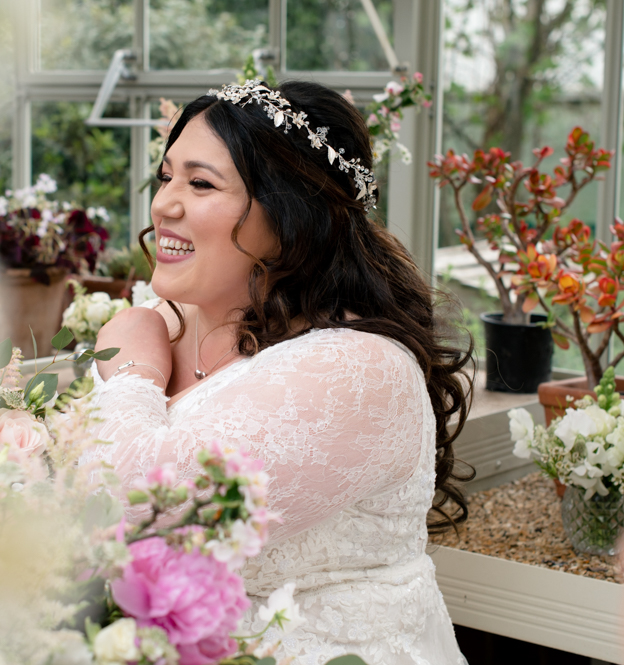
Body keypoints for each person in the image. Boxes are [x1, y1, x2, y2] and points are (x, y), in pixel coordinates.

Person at [84, 79, 474, 665]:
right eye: (166, 176)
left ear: (290, 214)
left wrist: (133, 367)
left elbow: (134, 512)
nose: (164, 202)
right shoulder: (169, 320)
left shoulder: (358, 371)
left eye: (201, 183)